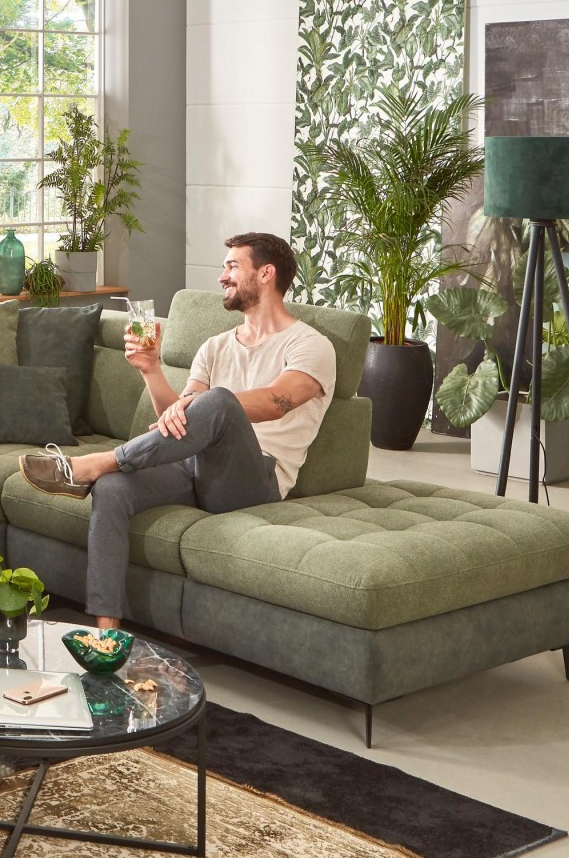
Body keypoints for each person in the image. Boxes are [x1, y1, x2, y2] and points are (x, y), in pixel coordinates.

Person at [19, 232, 336, 628]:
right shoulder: (215, 346)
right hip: (196, 466)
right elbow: (181, 421)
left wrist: (210, 403)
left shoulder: (310, 345)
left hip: (256, 479)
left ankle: (101, 461)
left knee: (218, 401)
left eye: (233, 266)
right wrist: (151, 370)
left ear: (266, 273)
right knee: (112, 488)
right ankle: (106, 634)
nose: (222, 276)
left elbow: (275, 401)